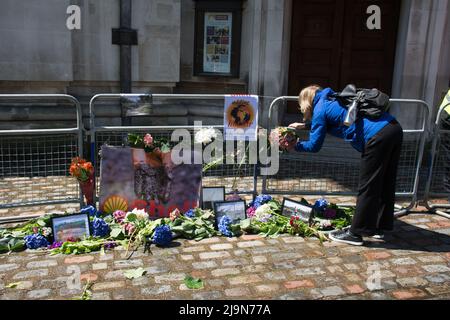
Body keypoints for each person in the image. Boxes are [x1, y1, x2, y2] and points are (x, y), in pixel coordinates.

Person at [288, 85, 403, 246]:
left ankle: (355, 233)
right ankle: (378, 226)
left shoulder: (320, 108)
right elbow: (335, 121)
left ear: (306, 102)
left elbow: (314, 145)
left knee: (368, 186)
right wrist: (306, 126)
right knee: (385, 182)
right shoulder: (332, 98)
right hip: (393, 128)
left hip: (377, 136)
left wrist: (295, 146)